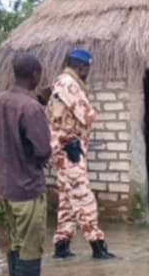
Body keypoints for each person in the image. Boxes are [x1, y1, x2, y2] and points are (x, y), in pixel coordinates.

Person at [0, 54, 52, 276]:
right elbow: (43, 150)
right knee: (31, 245)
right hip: (27, 187)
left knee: (16, 240)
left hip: (5, 187)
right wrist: (35, 161)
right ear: (34, 74)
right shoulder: (31, 108)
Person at [46, 48, 115, 260]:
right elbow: (87, 115)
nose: (87, 74)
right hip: (69, 151)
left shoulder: (62, 82)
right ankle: (98, 246)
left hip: (65, 150)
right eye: (87, 69)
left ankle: (62, 246)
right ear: (81, 67)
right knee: (84, 198)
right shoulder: (69, 83)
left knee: (68, 201)